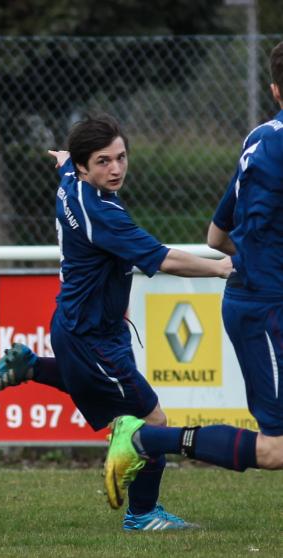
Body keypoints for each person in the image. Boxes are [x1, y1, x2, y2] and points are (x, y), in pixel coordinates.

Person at [0, 114, 233, 531]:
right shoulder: (101, 213)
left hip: (90, 325)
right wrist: (221, 268)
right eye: (103, 161)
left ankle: (29, 365)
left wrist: (62, 159)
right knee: (151, 421)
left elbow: (62, 166)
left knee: (89, 385)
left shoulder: (72, 184)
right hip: (89, 335)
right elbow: (164, 258)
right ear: (84, 166)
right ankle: (142, 515)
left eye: (121, 157)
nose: (115, 168)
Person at [93, 42, 283, 504]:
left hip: (254, 296)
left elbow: (218, 236)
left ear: (275, 91)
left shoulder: (260, 139)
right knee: (277, 449)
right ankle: (145, 440)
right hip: (267, 308)